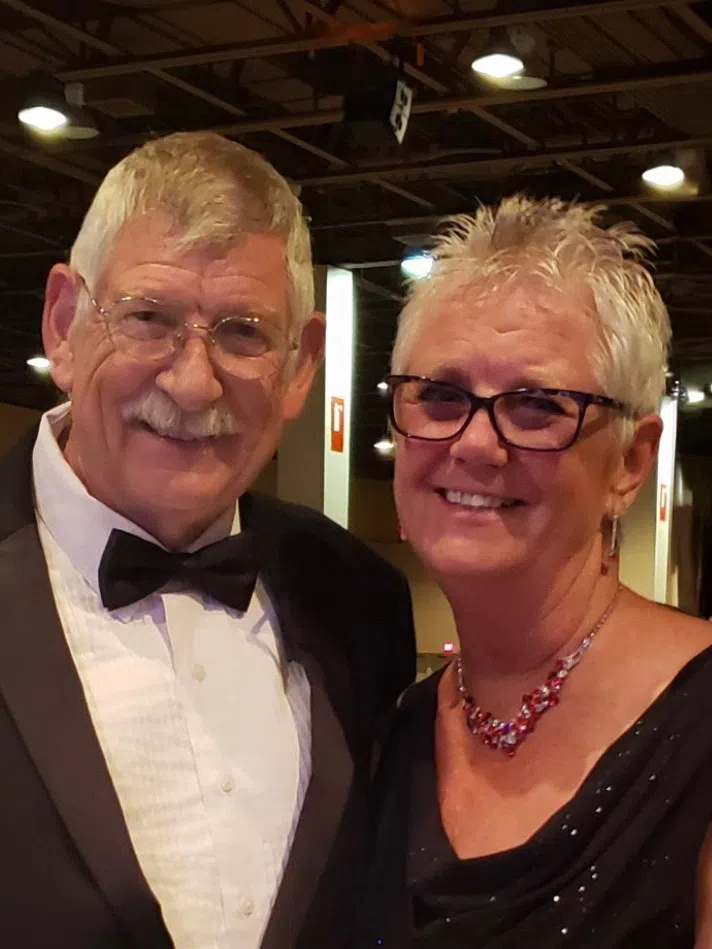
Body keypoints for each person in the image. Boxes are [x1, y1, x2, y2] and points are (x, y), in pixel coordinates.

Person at [0, 131, 415, 949]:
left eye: (243, 332)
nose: (193, 382)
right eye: (147, 318)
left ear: (302, 363)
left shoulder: (360, 599)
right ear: (63, 322)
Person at [356, 197, 712, 948]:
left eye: (537, 406)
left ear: (631, 461)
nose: (475, 445)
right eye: (441, 395)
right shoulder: (387, 733)